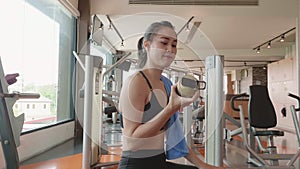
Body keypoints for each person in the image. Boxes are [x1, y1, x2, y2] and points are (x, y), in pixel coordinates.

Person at [118, 21, 223, 169]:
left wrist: (202, 165)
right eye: (164, 43)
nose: (170, 49)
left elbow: (175, 137)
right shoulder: (136, 82)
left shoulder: (165, 84)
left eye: (174, 45)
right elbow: (133, 142)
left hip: (158, 162)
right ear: (147, 45)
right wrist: (171, 109)